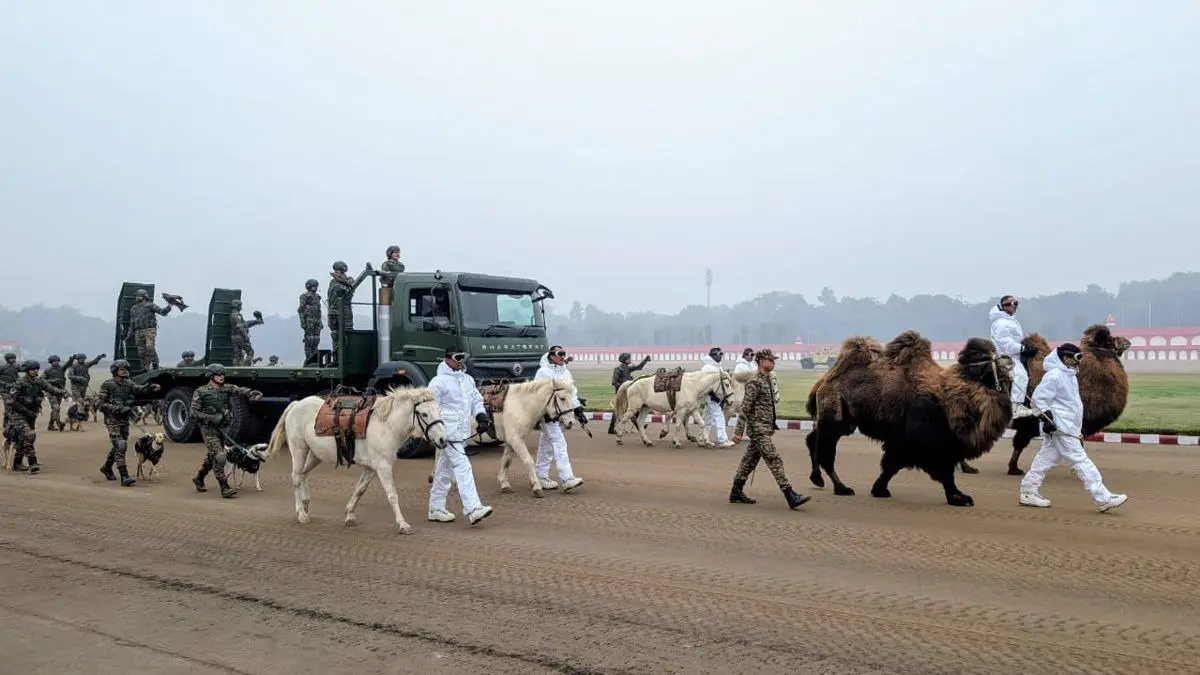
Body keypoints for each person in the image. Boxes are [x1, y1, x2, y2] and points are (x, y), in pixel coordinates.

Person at [1019, 343, 1128, 512]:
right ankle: (1103, 498)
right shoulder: (1055, 376)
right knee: (1081, 461)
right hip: (1062, 427)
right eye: (1075, 358)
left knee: (1044, 460)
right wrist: (1047, 419)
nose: (1078, 362)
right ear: (1065, 358)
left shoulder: (1069, 375)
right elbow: (1038, 399)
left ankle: (1028, 492)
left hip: (1068, 426)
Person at [728, 349, 810, 510]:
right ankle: (790, 494)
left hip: (765, 427)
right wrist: (738, 431)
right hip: (758, 429)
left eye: (774, 360)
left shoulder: (767, 380)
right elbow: (745, 408)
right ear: (761, 361)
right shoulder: (755, 382)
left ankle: (736, 492)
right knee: (774, 458)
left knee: (749, 461)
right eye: (770, 360)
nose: (773, 362)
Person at [427, 347, 494, 525]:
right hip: (447, 433)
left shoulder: (468, 380)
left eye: (463, 357)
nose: (460, 361)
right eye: (457, 357)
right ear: (447, 359)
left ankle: (435, 508)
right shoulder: (438, 382)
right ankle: (473, 508)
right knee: (463, 466)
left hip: (462, 431)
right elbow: (431, 409)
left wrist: (481, 416)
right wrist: (438, 432)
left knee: (444, 471)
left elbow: (475, 400)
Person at [190, 363, 263, 498]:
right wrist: (211, 417)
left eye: (223, 374)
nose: (222, 377)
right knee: (220, 456)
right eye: (219, 375)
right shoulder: (201, 392)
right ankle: (224, 486)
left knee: (212, 455)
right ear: (211, 376)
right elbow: (193, 412)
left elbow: (239, 390)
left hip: (223, 428)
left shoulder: (226, 389)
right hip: (208, 429)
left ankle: (199, 477)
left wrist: (251, 392)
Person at [96, 359, 161, 486]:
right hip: (112, 420)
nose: (125, 371)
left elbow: (138, 389)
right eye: (122, 369)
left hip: (124, 420)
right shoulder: (107, 385)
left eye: (126, 369)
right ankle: (124, 476)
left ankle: (106, 467)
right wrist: (118, 408)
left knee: (118, 446)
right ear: (115, 371)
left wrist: (149, 388)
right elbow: (100, 404)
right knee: (121, 445)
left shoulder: (128, 383)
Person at [533, 346, 587, 492]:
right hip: (548, 416)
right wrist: (545, 412)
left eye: (564, 353)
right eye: (560, 354)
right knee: (559, 443)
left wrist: (578, 409)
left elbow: (572, 393)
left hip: (562, 415)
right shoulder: (543, 372)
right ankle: (567, 478)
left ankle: (541, 476)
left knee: (547, 446)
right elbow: (538, 393)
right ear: (551, 356)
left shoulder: (566, 372)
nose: (563, 357)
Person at [6, 360, 68, 473]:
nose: (35, 371)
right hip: (18, 415)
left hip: (31, 415)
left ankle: (17, 463)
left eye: (36, 369)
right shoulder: (20, 383)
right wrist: (24, 410)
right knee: (30, 435)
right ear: (27, 370)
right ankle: (32, 462)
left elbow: (51, 389)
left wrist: (63, 392)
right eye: (32, 369)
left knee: (23, 439)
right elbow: (10, 401)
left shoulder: (39, 382)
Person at [989, 295, 1037, 418]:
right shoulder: (1001, 323)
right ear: (1005, 306)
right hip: (1007, 356)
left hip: (1014, 354)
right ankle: (1015, 407)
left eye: (1017, 303)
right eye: (1014, 303)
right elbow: (1005, 343)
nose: (1016, 306)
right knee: (1021, 376)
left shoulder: (1010, 320)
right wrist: (1023, 349)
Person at [126, 289, 176, 371]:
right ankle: (144, 368)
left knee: (149, 347)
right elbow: (132, 323)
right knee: (141, 352)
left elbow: (162, 312)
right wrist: (129, 335)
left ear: (144, 296)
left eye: (139, 295)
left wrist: (169, 306)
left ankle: (155, 363)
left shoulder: (151, 305)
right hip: (138, 332)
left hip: (149, 330)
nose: (137, 297)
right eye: (136, 296)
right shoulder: (133, 309)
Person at [699, 347, 734, 448]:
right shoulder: (708, 368)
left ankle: (702, 438)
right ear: (713, 355)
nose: (721, 356)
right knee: (719, 417)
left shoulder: (716, 366)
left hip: (715, 396)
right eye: (719, 354)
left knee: (707, 418)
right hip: (712, 396)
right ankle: (723, 440)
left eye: (722, 354)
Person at [608, 352, 651, 434]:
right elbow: (614, 382)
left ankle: (639, 426)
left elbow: (639, 367)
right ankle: (611, 429)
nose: (630, 359)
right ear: (624, 360)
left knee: (633, 408)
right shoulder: (618, 369)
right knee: (619, 411)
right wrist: (624, 387)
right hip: (621, 393)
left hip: (628, 393)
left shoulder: (627, 368)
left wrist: (645, 360)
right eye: (629, 358)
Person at [327, 261, 355, 357]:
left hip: (345, 311)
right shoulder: (332, 282)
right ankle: (336, 356)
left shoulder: (349, 279)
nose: (336, 273)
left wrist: (338, 279)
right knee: (335, 334)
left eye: (339, 271)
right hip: (333, 311)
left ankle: (346, 356)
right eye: (336, 271)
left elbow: (350, 286)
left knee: (347, 334)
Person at [229, 299, 265, 366]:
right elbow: (240, 327)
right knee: (250, 352)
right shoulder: (237, 316)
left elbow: (244, 324)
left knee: (237, 355)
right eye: (240, 306)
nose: (241, 307)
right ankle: (244, 368)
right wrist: (246, 336)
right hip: (240, 337)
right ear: (238, 306)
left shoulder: (232, 315)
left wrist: (255, 322)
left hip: (234, 337)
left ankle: (236, 369)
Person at [298, 279, 323, 363]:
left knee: (316, 340)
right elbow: (300, 310)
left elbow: (319, 310)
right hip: (309, 321)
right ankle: (309, 359)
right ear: (309, 286)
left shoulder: (317, 297)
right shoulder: (304, 296)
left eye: (316, 286)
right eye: (313, 286)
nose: (315, 288)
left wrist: (321, 322)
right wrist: (303, 322)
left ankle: (315, 359)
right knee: (309, 340)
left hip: (317, 321)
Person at [42, 355, 68, 431]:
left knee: (55, 409)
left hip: (60, 391)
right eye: (54, 361)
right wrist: (53, 381)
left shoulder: (61, 369)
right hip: (51, 391)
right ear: (51, 362)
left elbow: (67, 365)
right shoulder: (47, 370)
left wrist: (71, 360)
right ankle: (59, 423)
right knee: (56, 407)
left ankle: (50, 425)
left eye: (57, 361)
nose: (56, 362)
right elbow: (42, 380)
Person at [1, 352, 20, 431]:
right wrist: (4, 384)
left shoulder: (16, 367)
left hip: (14, 390)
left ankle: (12, 421)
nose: (13, 359)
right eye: (11, 358)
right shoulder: (2, 367)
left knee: (14, 406)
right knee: (8, 406)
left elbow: (24, 369)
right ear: (7, 359)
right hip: (5, 390)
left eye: (14, 358)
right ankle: (6, 422)